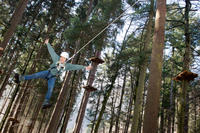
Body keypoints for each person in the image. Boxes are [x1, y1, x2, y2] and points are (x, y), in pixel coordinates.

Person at [14, 39, 93, 109]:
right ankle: (21, 78)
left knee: (50, 89)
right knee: (35, 75)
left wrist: (85, 67)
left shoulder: (67, 66)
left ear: (66, 59)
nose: (62, 59)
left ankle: (46, 102)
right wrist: (47, 44)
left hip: (53, 77)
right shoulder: (56, 58)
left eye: (63, 58)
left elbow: (76, 66)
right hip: (47, 72)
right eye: (61, 57)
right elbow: (52, 52)